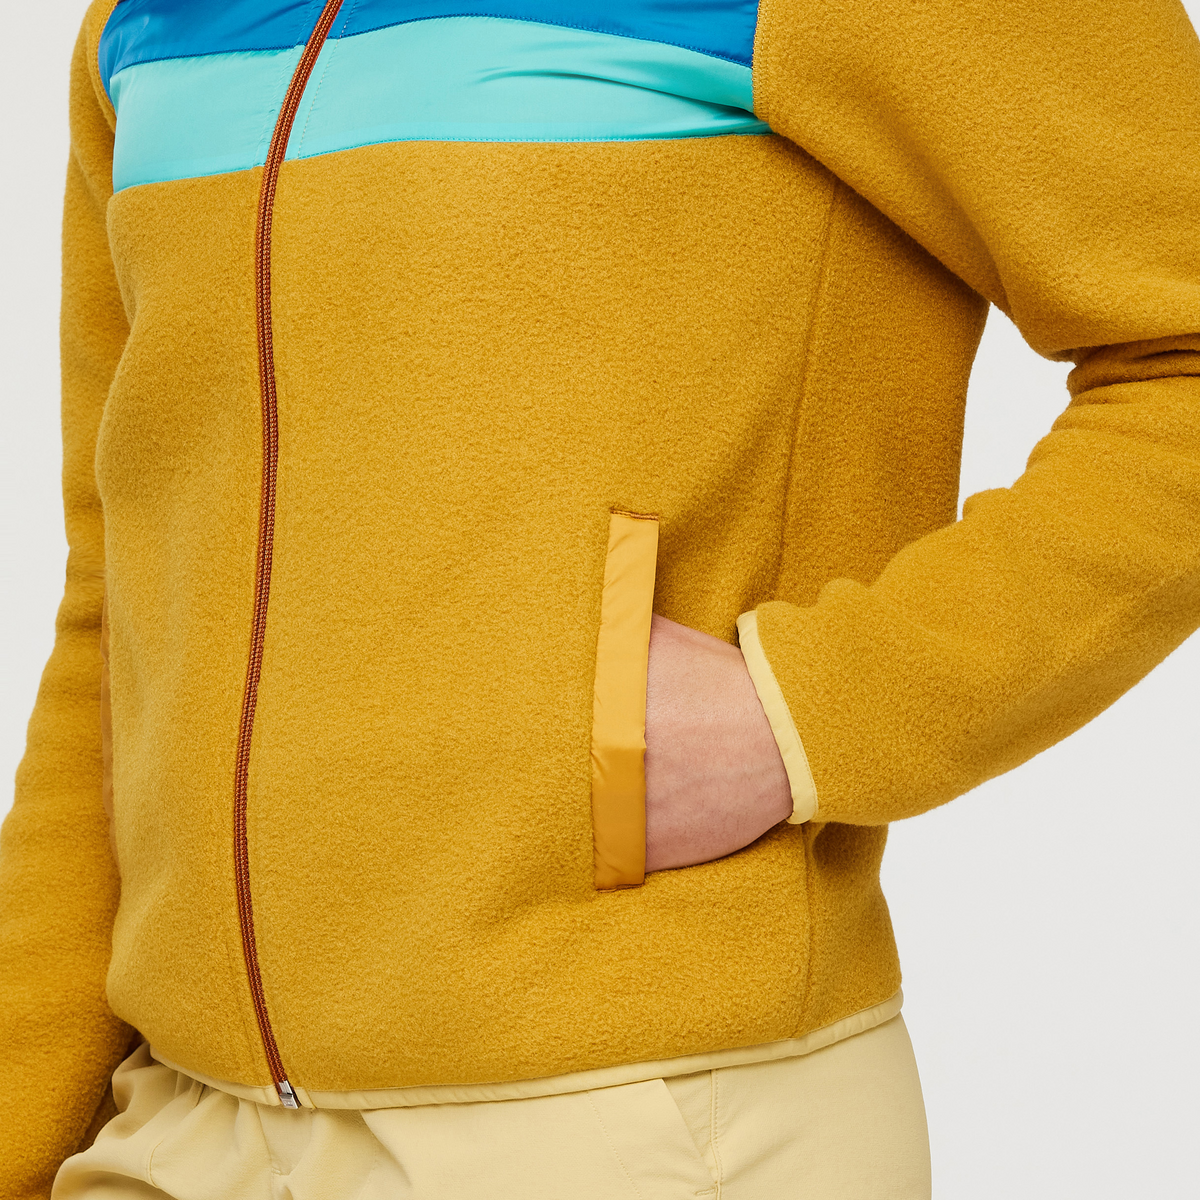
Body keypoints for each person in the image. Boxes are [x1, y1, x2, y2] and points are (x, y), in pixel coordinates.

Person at [4, 0, 1200, 1196]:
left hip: (641, 1119)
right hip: (179, 1122)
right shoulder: (144, 25)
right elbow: (120, 609)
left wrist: (802, 714)